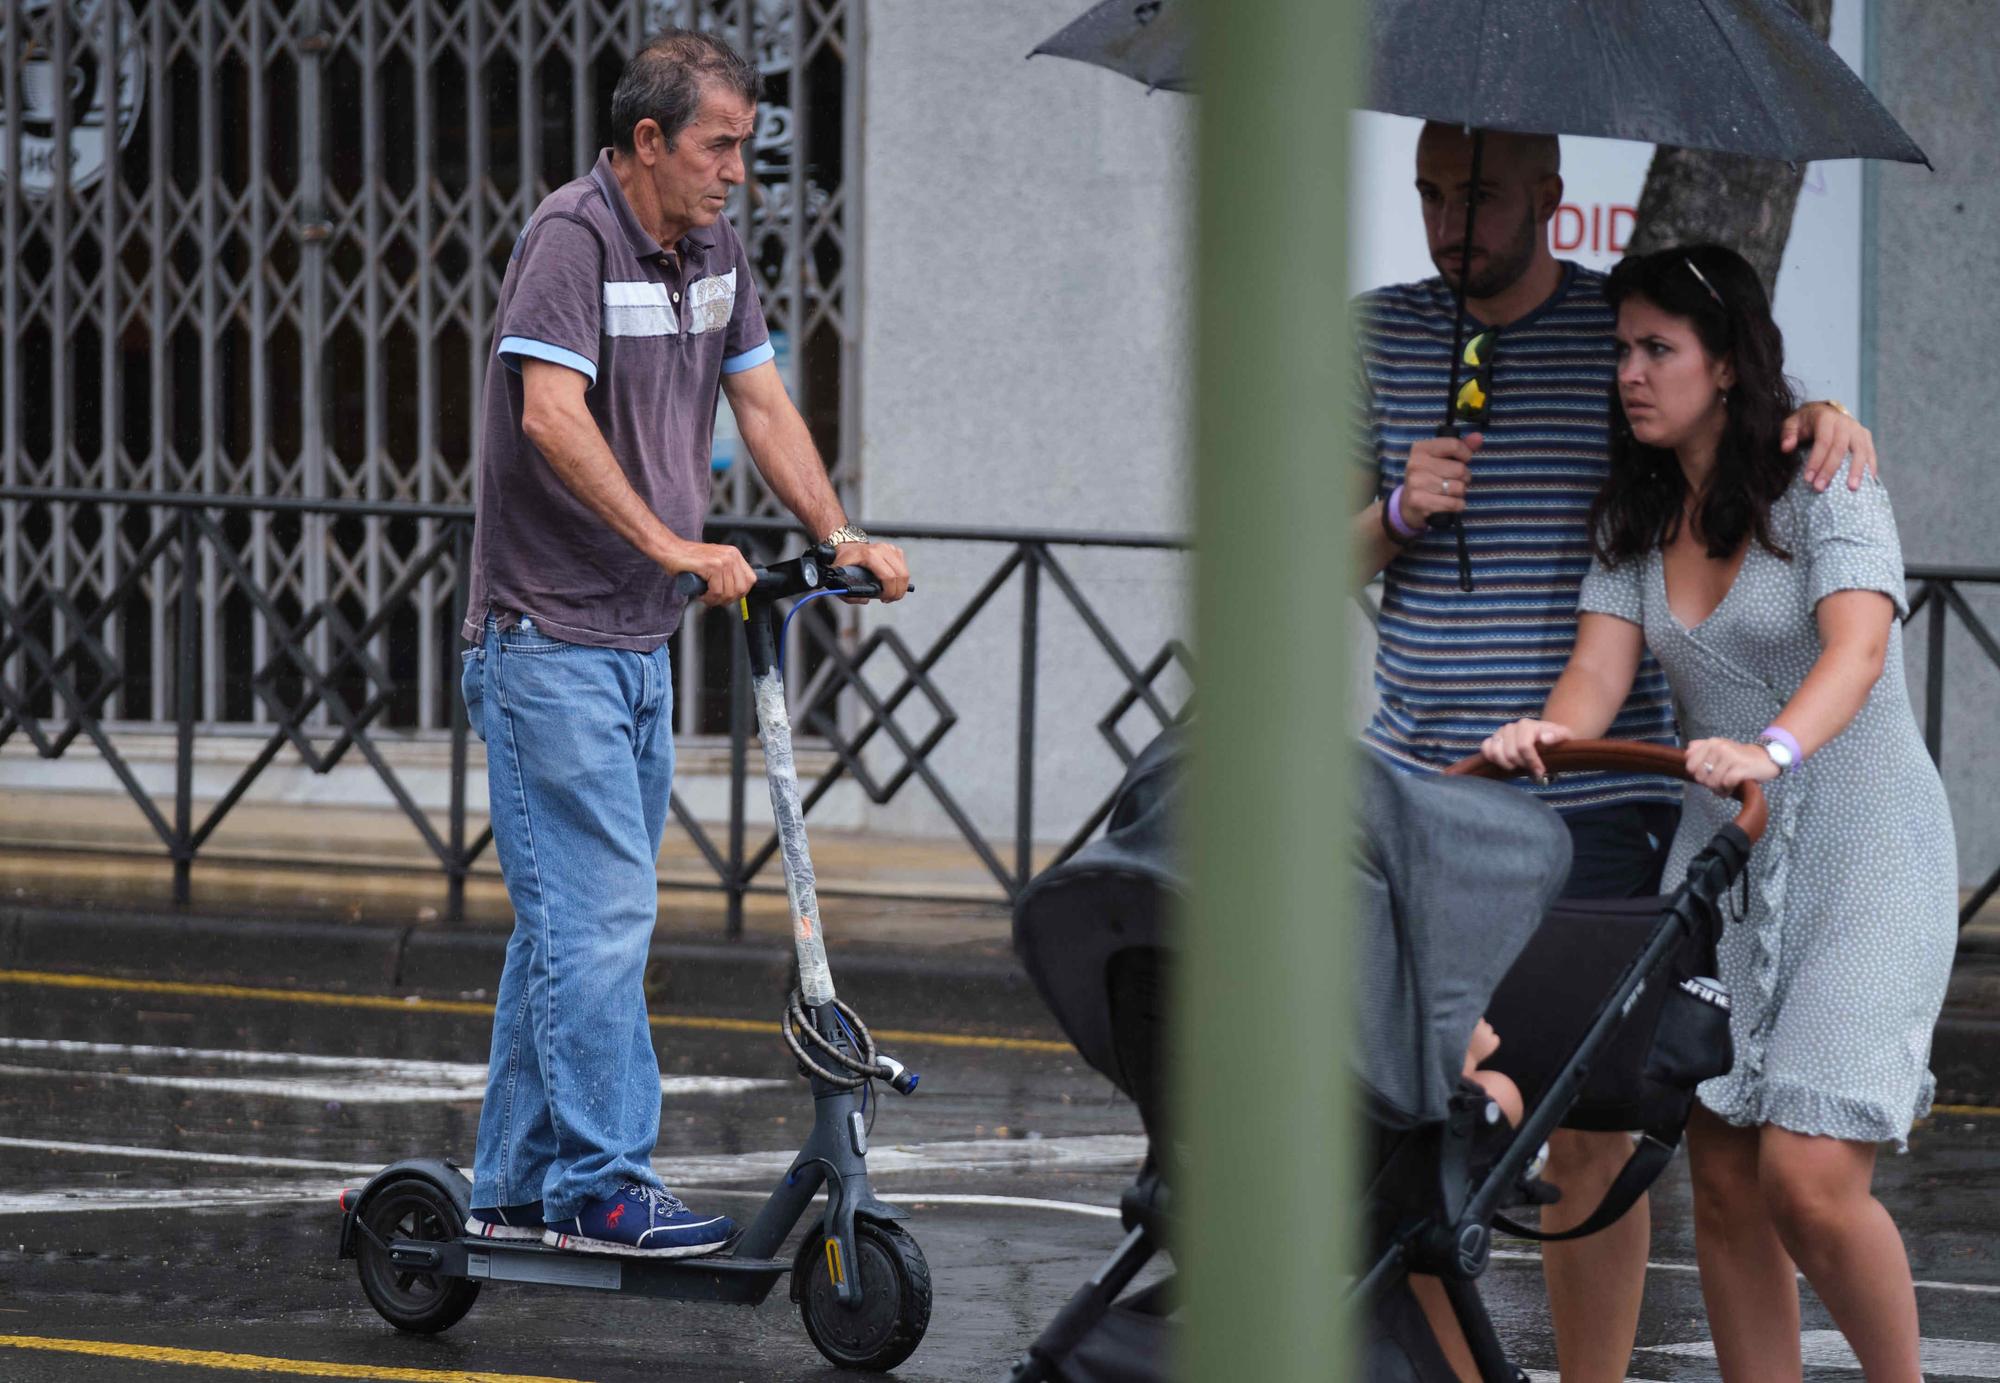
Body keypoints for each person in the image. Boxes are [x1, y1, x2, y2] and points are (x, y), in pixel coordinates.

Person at [1349, 122, 1878, 1380]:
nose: (1447, 219)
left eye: (1474, 192)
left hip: (1594, 794)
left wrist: (1818, 413)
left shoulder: (1615, 338)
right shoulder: (1370, 335)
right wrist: (1389, 510)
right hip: (1422, 782)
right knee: (1421, 1119)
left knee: (1587, 1120)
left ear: (1546, 194)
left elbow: (1727, 418)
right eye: (1427, 193)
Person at [456, 29, 909, 1258]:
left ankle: (505, 1183)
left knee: (569, 920)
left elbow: (758, 397)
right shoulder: (573, 237)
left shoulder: (708, 249)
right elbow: (549, 414)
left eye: (746, 151)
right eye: (718, 147)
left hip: (634, 643)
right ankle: (604, 1182)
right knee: (600, 920)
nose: (735, 174)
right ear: (647, 140)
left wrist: (840, 532)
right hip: (545, 636)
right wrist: (669, 543)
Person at [1481, 244, 1954, 1383]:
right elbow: (1593, 678)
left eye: (1658, 350)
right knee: (1728, 1177)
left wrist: (1770, 747)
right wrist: (1543, 730)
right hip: (1727, 861)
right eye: (1619, 350)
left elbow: (1858, 645)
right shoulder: (1636, 513)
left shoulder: (1824, 483)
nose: (1629, 374)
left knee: (1808, 1175)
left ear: (1727, 364)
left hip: (1865, 846)